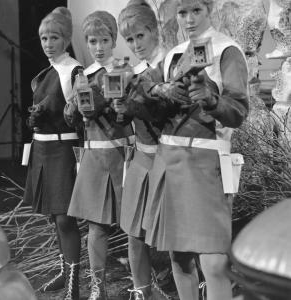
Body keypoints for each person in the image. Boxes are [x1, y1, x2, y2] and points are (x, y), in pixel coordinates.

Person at [136, 0, 249, 299]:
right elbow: (143, 96)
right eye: (182, 12)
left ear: (209, 9)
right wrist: (161, 91)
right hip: (170, 160)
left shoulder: (227, 50)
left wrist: (212, 102)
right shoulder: (172, 54)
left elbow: (238, 110)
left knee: (213, 262)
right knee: (180, 257)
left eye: (196, 10)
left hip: (207, 164)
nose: (188, 19)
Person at [64, 11, 134, 300]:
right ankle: (97, 288)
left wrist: (100, 98)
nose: (99, 46)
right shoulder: (83, 75)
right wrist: (75, 108)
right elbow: (72, 118)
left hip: (123, 155)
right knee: (96, 225)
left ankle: (144, 283)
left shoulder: (126, 70)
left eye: (104, 40)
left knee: (134, 226)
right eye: (93, 41)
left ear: (113, 40)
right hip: (94, 158)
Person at [23, 7, 81, 300]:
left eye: (54, 37)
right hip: (41, 148)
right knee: (51, 216)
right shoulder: (43, 73)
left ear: (66, 38)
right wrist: (33, 117)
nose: (48, 43)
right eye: (44, 38)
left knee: (64, 218)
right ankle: (63, 271)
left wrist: (64, 111)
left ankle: (74, 282)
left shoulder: (73, 71)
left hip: (61, 149)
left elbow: (79, 116)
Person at [114, 1, 170, 299]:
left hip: (169, 160)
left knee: (174, 235)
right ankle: (141, 291)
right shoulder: (130, 74)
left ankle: (196, 289)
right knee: (134, 232)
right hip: (141, 158)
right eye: (130, 39)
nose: (135, 45)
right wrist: (119, 111)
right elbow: (124, 121)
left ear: (154, 31)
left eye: (140, 37)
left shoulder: (168, 67)